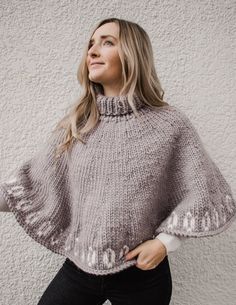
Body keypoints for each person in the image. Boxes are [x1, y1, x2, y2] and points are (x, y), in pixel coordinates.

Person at [0, 17, 235, 305]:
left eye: (107, 42)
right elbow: (31, 186)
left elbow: (205, 193)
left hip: (142, 275)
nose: (92, 51)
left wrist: (165, 244)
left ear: (133, 55)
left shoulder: (170, 125)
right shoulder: (77, 124)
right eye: (91, 44)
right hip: (79, 269)